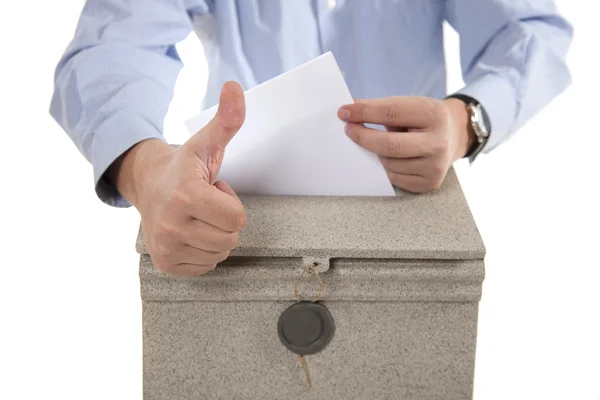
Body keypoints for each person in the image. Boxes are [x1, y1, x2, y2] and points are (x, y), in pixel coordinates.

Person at [50, 0, 572, 276]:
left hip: (410, 212)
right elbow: (112, 41)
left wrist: (466, 120)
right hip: (234, 226)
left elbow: (530, 30)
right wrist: (145, 170)